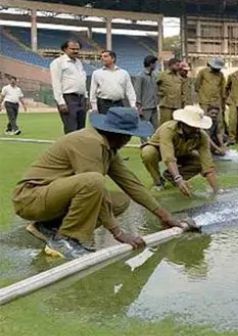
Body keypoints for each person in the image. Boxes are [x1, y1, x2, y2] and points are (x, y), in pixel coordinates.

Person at [11, 107, 188, 259]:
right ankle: (65, 239)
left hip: (51, 197)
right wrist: (118, 233)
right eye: (128, 136)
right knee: (94, 181)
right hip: (30, 198)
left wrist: (164, 215)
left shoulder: (108, 147)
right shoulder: (90, 142)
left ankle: (48, 227)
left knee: (120, 201)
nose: (128, 141)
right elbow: (94, 187)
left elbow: (131, 184)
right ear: (119, 134)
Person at [140, 105, 218, 195]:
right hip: (160, 151)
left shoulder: (202, 136)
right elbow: (168, 157)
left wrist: (216, 190)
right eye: (192, 126)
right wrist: (179, 179)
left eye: (197, 126)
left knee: (199, 161)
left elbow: (207, 164)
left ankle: (170, 177)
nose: (195, 129)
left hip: (182, 153)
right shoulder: (168, 129)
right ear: (183, 123)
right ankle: (158, 182)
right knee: (148, 152)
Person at [50, 40, 88, 134]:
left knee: (81, 129)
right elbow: (56, 82)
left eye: (77, 49)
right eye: (72, 49)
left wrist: (86, 97)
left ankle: (79, 148)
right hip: (68, 99)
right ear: (65, 49)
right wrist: (61, 102)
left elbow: (82, 81)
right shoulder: (58, 62)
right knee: (71, 128)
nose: (75, 51)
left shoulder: (79, 63)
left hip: (81, 99)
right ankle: (70, 148)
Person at [195, 57, 227, 146]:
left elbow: (223, 89)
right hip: (205, 101)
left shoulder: (221, 75)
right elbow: (197, 86)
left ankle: (220, 142)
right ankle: (205, 140)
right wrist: (201, 98)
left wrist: (223, 103)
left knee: (219, 122)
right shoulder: (203, 72)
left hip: (217, 101)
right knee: (205, 121)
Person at [133, 55, 160, 138]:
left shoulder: (155, 75)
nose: (156, 65)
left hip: (154, 106)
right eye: (155, 63)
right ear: (151, 64)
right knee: (144, 128)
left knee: (156, 128)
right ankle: (144, 145)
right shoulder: (140, 76)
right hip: (145, 107)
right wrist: (139, 107)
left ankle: (154, 145)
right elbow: (137, 92)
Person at [157, 58, 185, 125]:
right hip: (166, 105)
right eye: (177, 65)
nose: (179, 67)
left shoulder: (179, 77)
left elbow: (182, 91)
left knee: (176, 125)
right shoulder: (162, 75)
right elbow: (155, 86)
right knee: (165, 125)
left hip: (177, 105)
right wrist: (160, 94)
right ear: (171, 65)